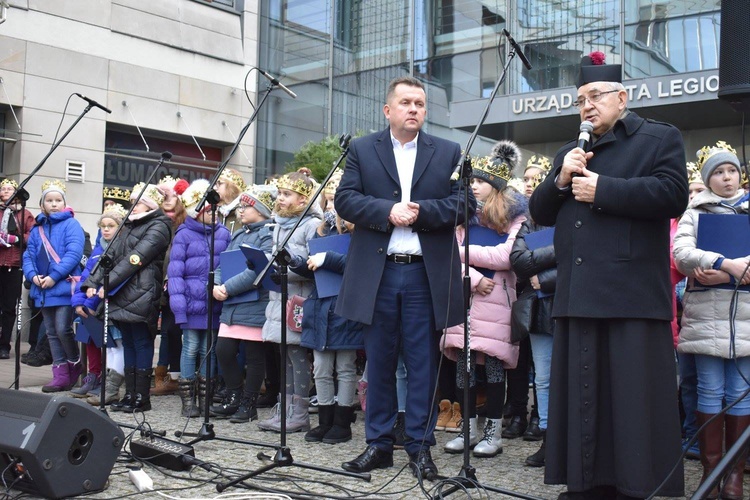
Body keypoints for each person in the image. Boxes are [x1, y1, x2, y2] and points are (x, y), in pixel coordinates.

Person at [528, 52, 688, 499]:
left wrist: (603, 189)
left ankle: (637, 486)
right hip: (579, 294)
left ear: (622, 97)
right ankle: (586, 483)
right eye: (580, 99)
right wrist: (561, 178)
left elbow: (673, 194)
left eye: (595, 96)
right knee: (584, 397)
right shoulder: (571, 150)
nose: (586, 106)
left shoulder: (659, 138)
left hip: (631, 293)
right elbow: (540, 212)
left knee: (632, 401)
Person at [335, 76, 475, 479]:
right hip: (378, 274)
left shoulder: (447, 151)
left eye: (420, 103)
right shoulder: (363, 149)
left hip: (422, 276)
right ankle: (378, 445)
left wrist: (422, 212)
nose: (414, 109)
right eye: (406, 102)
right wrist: (386, 211)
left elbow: (464, 203)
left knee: (422, 365)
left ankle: (419, 446)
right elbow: (345, 198)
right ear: (388, 110)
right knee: (377, 363)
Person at [673, 142, 750, 499]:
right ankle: (710, 470)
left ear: (740, 174)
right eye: (718, 172)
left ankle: (734, 474)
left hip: (745, 315)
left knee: (739, 393)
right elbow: (682, 253)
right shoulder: (694, 210)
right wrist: (724, 263)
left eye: (731, 170)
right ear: (707, 179)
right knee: (709, 390)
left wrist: (732, 273)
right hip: (706, 316)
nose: (726, 178)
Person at [441, 146, 527, 459]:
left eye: (481, 180)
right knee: (464, 371)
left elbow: (506, 257)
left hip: (497, 303)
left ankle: (493, 434)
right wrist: (475, 277)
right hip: (466, 298)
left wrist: (462, 255)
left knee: (493, 369)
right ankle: (469, 430)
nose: (474, 185)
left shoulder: (516, 216)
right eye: (472, 180)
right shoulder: (463, 216)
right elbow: (450, 252)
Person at [82, 182, 172, 413]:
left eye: (137, 202)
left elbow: (135, 259)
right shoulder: (129, 226)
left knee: (141, 342)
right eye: (132, 201)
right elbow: (109, 255)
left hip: (142, 292)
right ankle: (130, 394)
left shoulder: (160, 226)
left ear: (150, 205)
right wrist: (91, 282)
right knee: (129, 342)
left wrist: (106, 282)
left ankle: (141, 396)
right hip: (122, 292)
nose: (132, 206)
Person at [301, 170, 364, 444]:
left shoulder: (364, 235)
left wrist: (327, 258)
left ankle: (342, 422)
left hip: (345, 307)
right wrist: (297, 263)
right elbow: (313, 271)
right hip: (320, 306)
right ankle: (324, 421)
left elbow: (358, 266)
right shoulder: (323, 230)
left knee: (346, 367)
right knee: (321, 368)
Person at [257, 169, 320, 433]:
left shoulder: (310, 226)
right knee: (284, 354)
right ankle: (284, 410)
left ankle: (300, 413)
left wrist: (287, 267)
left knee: (296, 355)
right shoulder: (279, 224)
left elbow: (310, 264)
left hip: (298, 298)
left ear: (303, 200)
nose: (280, 198)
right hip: (279, 297)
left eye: (287, 194)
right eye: (279, 193)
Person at [210, 185, 275, 423]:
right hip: (232, 303)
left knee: (255, 356)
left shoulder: (268, 234)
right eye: (240, 206)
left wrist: (227, 288)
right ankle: (234, 397)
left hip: (255, 302)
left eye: (246, 206)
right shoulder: (239, 234)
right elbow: (222, 264)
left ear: (260, 209)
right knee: (223, 350)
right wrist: (215, 285)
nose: (241, 210)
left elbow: (258, 270)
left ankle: (249, 404)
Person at [168, 178, 230, 417]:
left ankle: (205, 400)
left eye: (215, 210)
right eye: (207, 211)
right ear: (197, 211)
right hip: (192, 305)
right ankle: (187, 402)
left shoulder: (223, 234)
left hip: (213, 304)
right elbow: (175, 275)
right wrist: (180, 309)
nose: (213, 215)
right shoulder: (183, 235)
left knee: (209, 349)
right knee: (191, 348)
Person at [510, 162, 557, 468]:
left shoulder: (573, 217)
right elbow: (519, 260)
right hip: (540, 310)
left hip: (569, 303)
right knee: (543, 378)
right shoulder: (530, 221)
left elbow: (583, 255)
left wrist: (549, 277)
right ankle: (549, 439)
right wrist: (558, 251)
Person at [22, 180, 85, 392]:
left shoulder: (71, 225)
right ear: (42, 205)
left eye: (58, 200)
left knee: (62, 328)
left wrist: (54, 276)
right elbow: (28, 255)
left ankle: (74, 364)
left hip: (64, 287)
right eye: (49, 200)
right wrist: (33, 276)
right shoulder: (37, 227)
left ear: (64, 203)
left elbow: (74, 254)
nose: (54, 204)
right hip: (43, 288)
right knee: (50, 332)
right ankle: (59, 373)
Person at [70, 204, 128, 399]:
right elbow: (86, 277)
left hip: (107, 305)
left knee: (114, 345)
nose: (105, 229)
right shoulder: (97, 250)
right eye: (102, 225)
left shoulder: (122, 249)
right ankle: (95, 377)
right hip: (92, 305)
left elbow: (115, 278)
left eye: (111, 225)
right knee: (93, 339)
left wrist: (93, 299)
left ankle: (108, 384)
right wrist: (79, 300)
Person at [152, 176, 189, 397]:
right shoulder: (155, 220)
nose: (167, 199)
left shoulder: (183, 223)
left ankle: (174, 375)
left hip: (176, 282)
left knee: (173, 330)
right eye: (163, 195)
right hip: (156, 281)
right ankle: (162, 374)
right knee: (166, 330)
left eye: (172, 194)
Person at [0, 178, 35, 360]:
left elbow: (34, 235)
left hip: (13, 265)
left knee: (8, 307)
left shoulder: (25, 214)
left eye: (10, 189)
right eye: (3, 189)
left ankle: (4, 345)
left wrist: (17, 239)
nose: (6, 191)